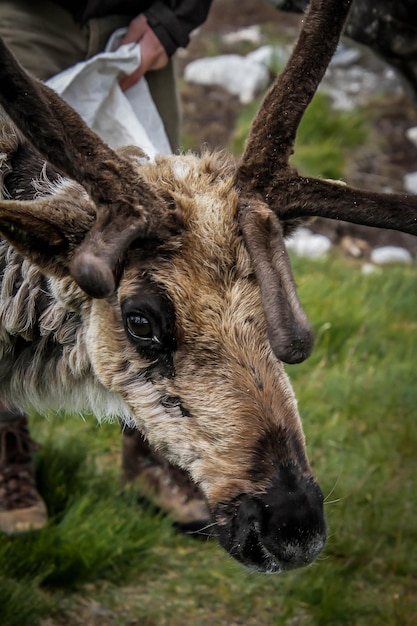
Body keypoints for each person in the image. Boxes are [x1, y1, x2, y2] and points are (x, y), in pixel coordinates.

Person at [0, 0, 212, 535]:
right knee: (9, 227)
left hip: (136, 16)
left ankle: (155, 450)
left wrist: (172, 21)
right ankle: (7, 451)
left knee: (167, 237)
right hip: (20, 17)